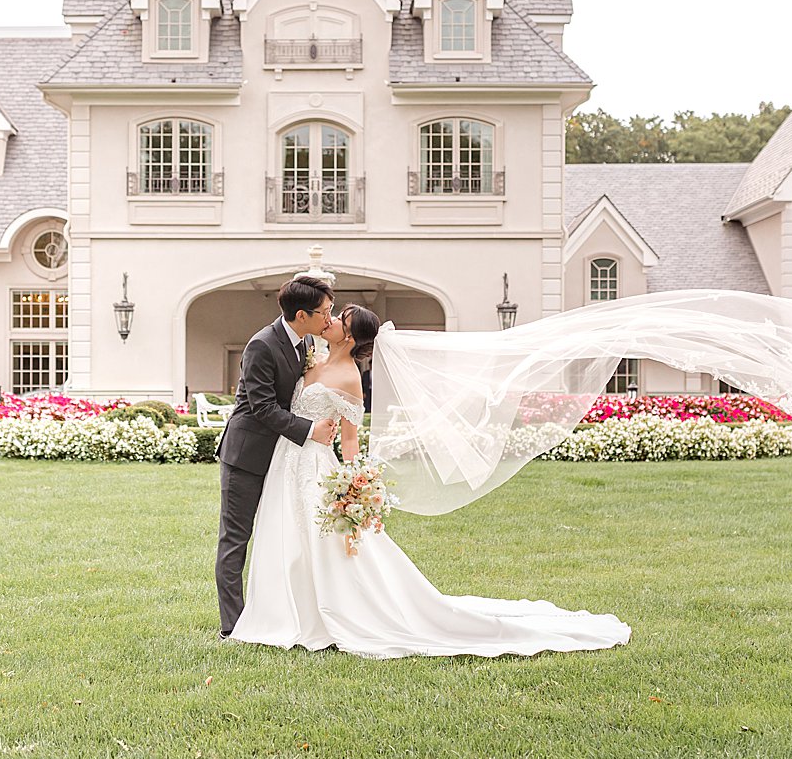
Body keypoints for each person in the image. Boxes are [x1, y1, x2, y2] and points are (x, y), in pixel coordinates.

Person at [227, 304, 632, 659]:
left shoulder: (350, 377)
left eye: (339, 318)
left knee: (319, 542)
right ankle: (281, 611)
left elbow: (349, 439)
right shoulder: (311, 359)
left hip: (315, 465)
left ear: (349, 336)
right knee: (284, 534)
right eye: (330, 314)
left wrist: (352, 483)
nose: (330, 320)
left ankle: (329, 614)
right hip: (286, 461)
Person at [214, 275, 338, 639]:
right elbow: (262, 407)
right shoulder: (261, 345)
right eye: (325, 312)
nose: (330, 318)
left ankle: (276, 613)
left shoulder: (306, 342)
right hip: (247, 455)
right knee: (236, 539)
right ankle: (232, 627)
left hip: (283, 459)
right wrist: (310, 429)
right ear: (302, 315)